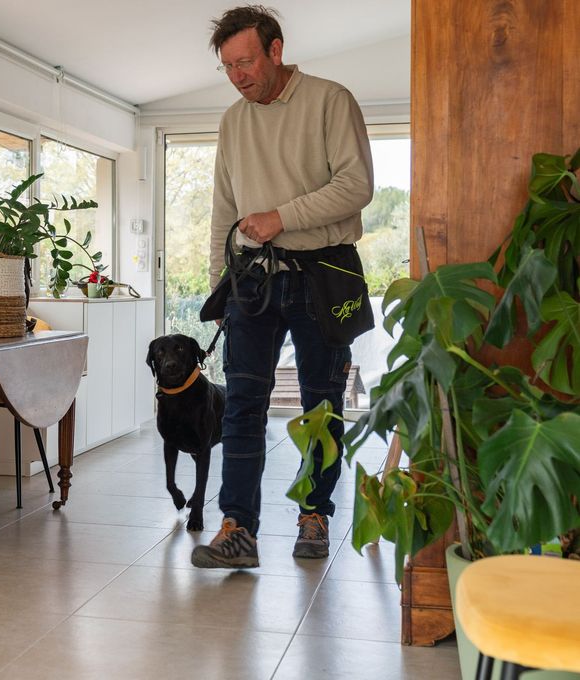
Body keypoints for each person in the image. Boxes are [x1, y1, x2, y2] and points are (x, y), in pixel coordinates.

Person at [191, 5, 373, 569]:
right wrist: (219, 286)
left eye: (246, 61)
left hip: (326, 271)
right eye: (228, 67)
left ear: (275, 50)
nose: (238, 75)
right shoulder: (232, 120)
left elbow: (357, 185)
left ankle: (313, 515)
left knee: (321, 405)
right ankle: (237, 527)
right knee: (242, 405)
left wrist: (281, 216)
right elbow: (225, 207)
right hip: (252, 278)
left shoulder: (329, 99)